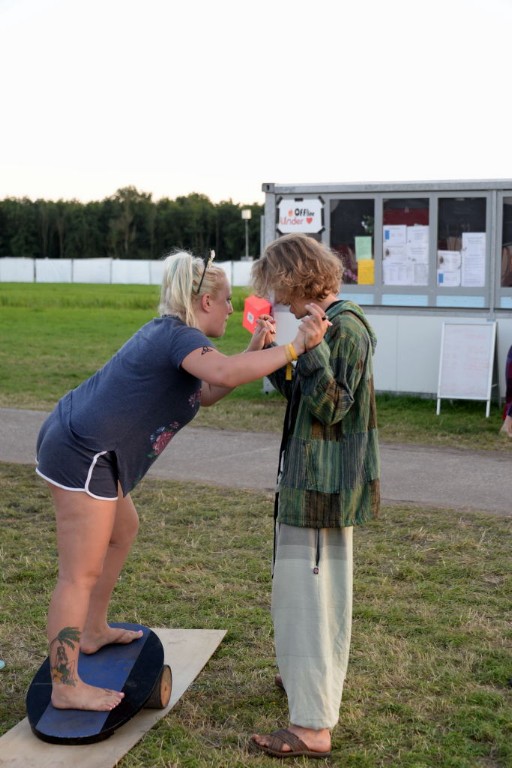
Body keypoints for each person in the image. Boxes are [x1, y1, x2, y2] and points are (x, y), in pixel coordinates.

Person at [35, 249, 328, 713]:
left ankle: (92, 630)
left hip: (93, 450)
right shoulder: (177, 336)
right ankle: (65, 683)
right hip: (81, 454)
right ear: (204, 301)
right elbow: (223, 372)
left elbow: (209, 391)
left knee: (123, 530)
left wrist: (253, 352)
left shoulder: (180, 341)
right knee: (79, 573)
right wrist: (292, 348)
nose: (234, 309)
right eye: (228, 299)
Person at [248, 233, 380, 759]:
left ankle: (312, 726)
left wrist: (312, 345)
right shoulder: (322, 327)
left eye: (276, 287)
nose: (275, 299)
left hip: (323, 489)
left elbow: (332, 408)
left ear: (294, 278)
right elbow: (302, 393)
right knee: (299, 599)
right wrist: (276, 355)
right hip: (308, 481)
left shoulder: (344, 329)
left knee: (312, 604)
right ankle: (304, 680)